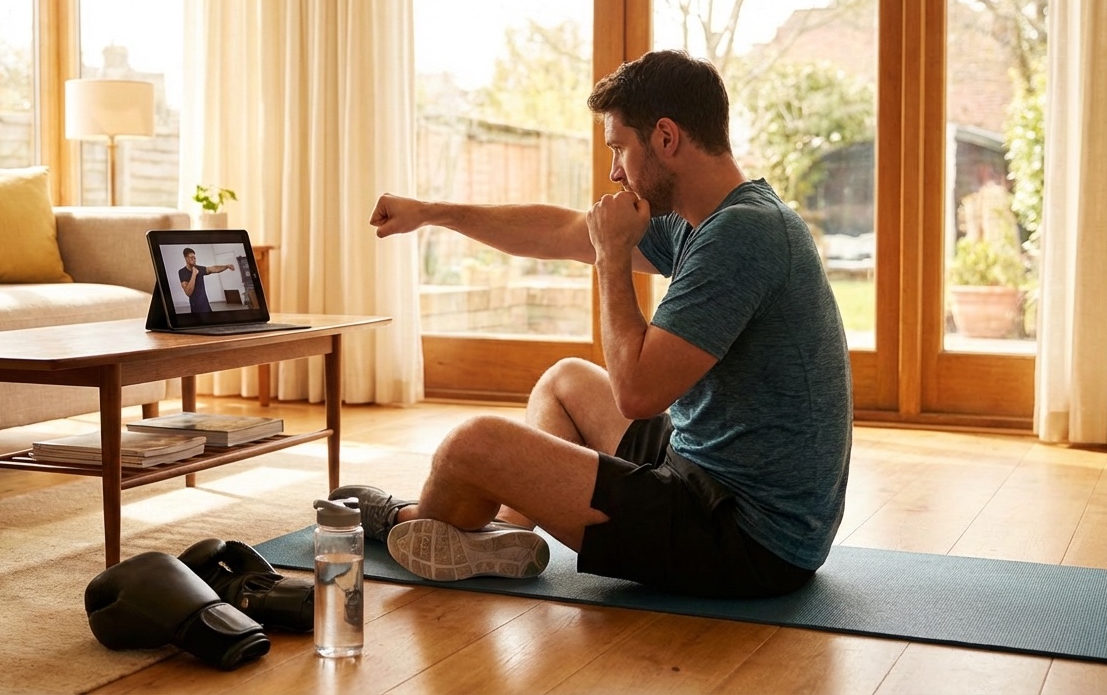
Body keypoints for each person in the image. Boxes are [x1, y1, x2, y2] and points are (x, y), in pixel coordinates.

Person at [332, 49, 852, 598]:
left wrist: (611, 259)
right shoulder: (713, 219)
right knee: (565, 382)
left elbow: (637, 393)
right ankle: (506, 532)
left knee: (472, 445)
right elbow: (560, 232)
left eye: (620, 148)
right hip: (711, 476)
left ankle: (408, 519)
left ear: (667, 137)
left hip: (746, 537)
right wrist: (434, 213)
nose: (615, 171)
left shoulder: (742, 235)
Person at [179, 248, 233, 313]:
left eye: (194, 257)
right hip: (195, 306)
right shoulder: (182, 272)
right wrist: (194, 273)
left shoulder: (199, 268)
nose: (194, 259)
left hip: (205, 305)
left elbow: (213, 268)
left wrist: (226, 266)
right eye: (191, 257)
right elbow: (188, 292)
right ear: (186, 258)